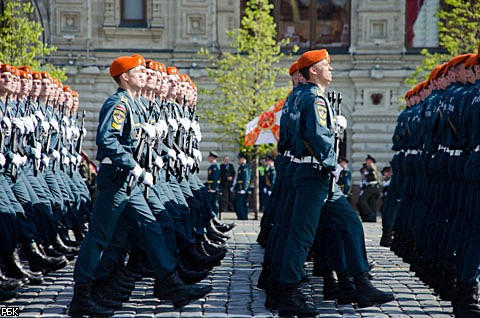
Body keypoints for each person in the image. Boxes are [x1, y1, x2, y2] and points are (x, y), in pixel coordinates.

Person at [69, 55, 211, 317]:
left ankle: (171, 284)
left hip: (130, 181)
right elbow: (106, 139)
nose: (144, 75)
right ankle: (82, 295)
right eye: (139, 71)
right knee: (99, 237)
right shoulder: (119, 103)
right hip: (116, 178)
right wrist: (132, 165)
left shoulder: (134, 104)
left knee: (152, 227)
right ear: (125, 77)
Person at [276, 49, 394, 317]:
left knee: (350, 223)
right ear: (314, 71)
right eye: (325, 65)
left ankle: (361, 283)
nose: (331, 69)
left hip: (315, 176)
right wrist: (333, 163)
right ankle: (287, 293)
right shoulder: (314, 99)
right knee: (301, 234)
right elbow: (316, 138)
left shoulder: (302, 98)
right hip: (315, 175)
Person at [357, 154, 381, 222]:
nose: (366, 161)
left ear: (370, 161)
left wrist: (365, 173)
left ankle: (370, 214)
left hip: (372, 186)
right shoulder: (369, 168)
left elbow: (371, 176)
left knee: (362, 200)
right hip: (371, 186)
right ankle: (371, 218)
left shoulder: (371, 168)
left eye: (367, 160)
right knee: (371, 202)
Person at [232, 152, 250, 220]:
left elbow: (246, 179)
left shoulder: (245, 167)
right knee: (239, 203)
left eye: (239, 159)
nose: (238, 161)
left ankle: (243, 217)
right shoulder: (241, 167)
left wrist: (243, 189)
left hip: (242, 189)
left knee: (240, 203)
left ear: (242, 159)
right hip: (239, 188)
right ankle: (242, 217)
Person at [206, 151, 220, 217]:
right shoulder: (212, 166)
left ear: (212, 158)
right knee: (211, 203)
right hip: (210, 187)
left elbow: (215, 178)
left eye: (209, 157)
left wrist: (213, 188)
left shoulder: (215, 167)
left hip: (213, 188)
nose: (208, 158)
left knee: (214, 203)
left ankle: (215, 216)